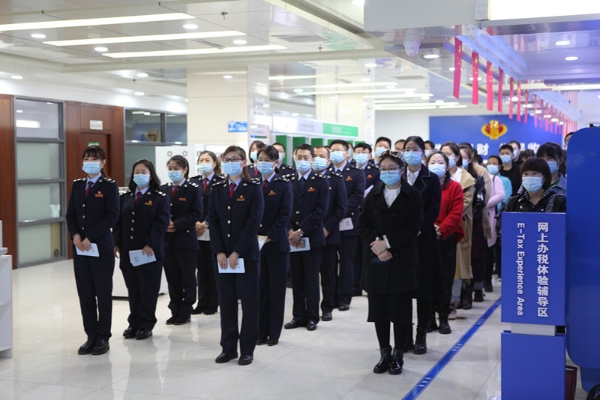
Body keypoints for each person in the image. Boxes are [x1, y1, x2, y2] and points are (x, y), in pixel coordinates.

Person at [358, 151, 423, 375]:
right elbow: (363, 224)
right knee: (379, 310)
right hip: (377, 259)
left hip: (401, 259)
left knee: (400, 311)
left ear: (401, 170)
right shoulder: (373, 194)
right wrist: (377, 246)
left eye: (391, 169)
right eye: (383, 169)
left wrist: (387, 244)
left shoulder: (413, 195)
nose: (387, 173)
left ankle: (398, 354)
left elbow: (413, 228)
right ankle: (384, 353)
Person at [209, 146, 264, 365]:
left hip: (246, 254)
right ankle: (228, 347)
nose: (231, 163)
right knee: (227, 302)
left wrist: (237, 251)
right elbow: (213, 221)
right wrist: (220, 251)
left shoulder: (253, 187)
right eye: (227, 159)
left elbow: (253, 222)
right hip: (222, 256)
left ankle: (247, 349)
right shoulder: (217, 188)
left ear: (244, 162)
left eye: (235, 159)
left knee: (249, 303)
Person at [66, 145, 119, 356]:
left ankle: (103, 337)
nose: (89, 162)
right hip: (81, 248)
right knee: (85, 293)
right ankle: (91, 335)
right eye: (86, 158)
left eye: (94, 159)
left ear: (103, 163)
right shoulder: (78, 185)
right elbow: (71, 214)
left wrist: (90, 237)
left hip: (101, 248)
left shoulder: (109, 186)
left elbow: (112, 216)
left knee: (103, 293)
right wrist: (75, 235)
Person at [114, 159, 169, 340]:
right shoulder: (126, 197)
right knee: (133, 289)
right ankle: (134, 322)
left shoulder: (159, 197)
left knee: (148, 289)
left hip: (149, 251)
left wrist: (150, 243)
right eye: (136, 171)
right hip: (128, 251)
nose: (139, 175)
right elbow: (119, 222)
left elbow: (161, 223)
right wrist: (116, 242)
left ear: (151, 175)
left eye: (143, 172)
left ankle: (146, 324)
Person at [402, 136, 443, 355]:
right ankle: (405, 335)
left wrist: (414, 229)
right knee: (403, 290)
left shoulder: (432, 179)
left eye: (415, 149)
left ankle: (421, 335)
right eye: (407, 149)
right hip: (401, 242)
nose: (411, 153)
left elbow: (433, 210)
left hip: (423, 239)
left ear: (423, 152)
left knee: (424, 289)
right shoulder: (397, 175)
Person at [284, 144, 329, 332]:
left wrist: (300, 231)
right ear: (294, 158)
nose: (302, 161)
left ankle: (312, 316)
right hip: (291, 238)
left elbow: (320, 210)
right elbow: (284, 208)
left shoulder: (320, 181)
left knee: (311, 278)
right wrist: (289, 230)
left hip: (312, 237)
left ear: (312, 160)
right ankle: (298, 315)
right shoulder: (287, 180)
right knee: (297, 278)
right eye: (299, 157)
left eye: (306, 157)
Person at [255, 146, 293, 346]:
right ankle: (261, 332)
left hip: (276, 245)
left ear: (276, 163)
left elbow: (285, 214)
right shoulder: (253, 183)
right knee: (260, 291)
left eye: (267, 160)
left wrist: (270, 235)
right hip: (255, 245)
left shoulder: (283, 184)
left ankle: (274, 333)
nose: (262, 163)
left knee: (276, 291)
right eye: (260, 159)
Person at [162, 155, 202, 325]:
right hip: (167, 241)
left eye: (176, 169)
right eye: (170, 169)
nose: (173, 172)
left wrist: (177, 224)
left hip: (185, 240)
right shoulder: (164, 189)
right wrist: (165, 224)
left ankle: (186, 310)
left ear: (185, 170)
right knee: (173, 278)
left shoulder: (192, 189)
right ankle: (175, 309)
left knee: (187, 277)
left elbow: (196, 213)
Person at [427, 151, 464, 334]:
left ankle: (443, 317)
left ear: (447, 165)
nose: (436, 165)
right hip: (425, 236)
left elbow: (456, 213)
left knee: (445, 278)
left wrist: (440, 230)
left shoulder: (455, 187)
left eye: (440, 162)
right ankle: (428, 318)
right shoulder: (423, 185)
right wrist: (428, 227)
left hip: (445, 237)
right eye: (433, 161)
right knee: (427, 279)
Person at [328, 139, 366, 311]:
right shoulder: (326, 173)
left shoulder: (356, 173)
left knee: (346, 262)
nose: (334, 152)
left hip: (348, 223)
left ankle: (344, 298)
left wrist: (338, 213)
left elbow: (357, 197)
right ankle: (331, 297)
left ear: (346, 153)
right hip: (329, 225)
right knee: (329, 264)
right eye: (332, 150)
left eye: (338, 150)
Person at [440, 142, 475, 319]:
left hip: (457, 226)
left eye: (449, 154)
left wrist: (447, 221)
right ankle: (436, 303)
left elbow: (464, 204)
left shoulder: (466, 179)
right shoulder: (434, 176)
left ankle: (452, 303)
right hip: (435, 226)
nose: (446, 157)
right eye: (443, 153)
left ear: (457, 157)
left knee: (455, 267)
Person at [313, 145, 347, 322]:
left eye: (322, 156)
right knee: (310, 275)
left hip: (328, 234)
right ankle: (308, 310)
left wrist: (327, 228)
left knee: (328, 273)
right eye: (315, 155)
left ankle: (327, 306)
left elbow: (341, 208)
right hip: (308, 235)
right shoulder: (305, 179)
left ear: (328, 160)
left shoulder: (336, 179)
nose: (317, 159)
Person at [190, 151, 224, 315]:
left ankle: (213, 302)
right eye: (201, 160)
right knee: (201, 268)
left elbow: (220, 206)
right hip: (196, 230)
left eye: (207, 160)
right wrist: (195, 222)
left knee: (212, 267)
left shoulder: (220, 182)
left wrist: (206, 223)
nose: (204, 162)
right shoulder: (193, 182)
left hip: (213, 229)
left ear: (215, 163)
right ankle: (202, 301)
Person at [459, 143, 488, 305]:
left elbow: (480, 201)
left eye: (465, 157)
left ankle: (473, 291)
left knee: (475, 258)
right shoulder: (451, 178)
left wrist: (469, 215)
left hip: (473, 222)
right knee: (459, 260)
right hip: (456, 224)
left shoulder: (477, 178)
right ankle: (460, 292)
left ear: (470, 159)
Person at [486, 155, 511, 279]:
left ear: (500, 166)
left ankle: (500, 270)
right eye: (489, 163)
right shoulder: (484, 179)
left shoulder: (503, 180)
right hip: (485, 215)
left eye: (494, 163)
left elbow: (505, 197)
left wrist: (488, 205)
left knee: (497, 246)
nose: (491, 166)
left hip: (497, 215)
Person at [482, 157, 506, 293]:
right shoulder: (475, 177)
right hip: (475, 217)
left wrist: (484, 204)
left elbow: (501, 195)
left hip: (490, 216)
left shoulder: (495, 179)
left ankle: (487, 280)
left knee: (489, 250)